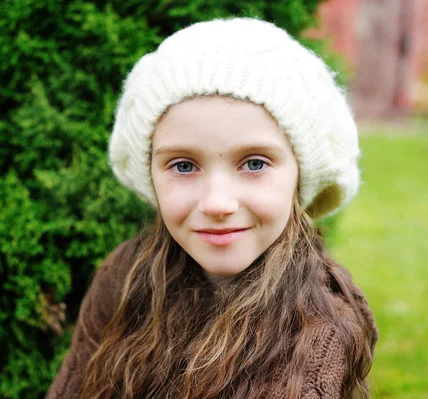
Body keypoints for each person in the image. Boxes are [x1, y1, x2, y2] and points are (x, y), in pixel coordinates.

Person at [46, 17, 378, 399]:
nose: (217, 203)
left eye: (254, 163)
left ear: (301, 174)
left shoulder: (318, 326)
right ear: (150, 173)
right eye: (183, 166)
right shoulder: (124, 277)